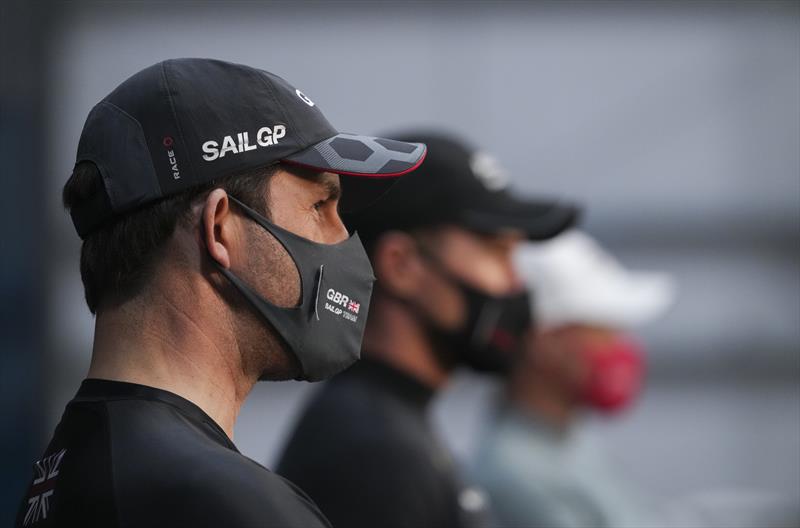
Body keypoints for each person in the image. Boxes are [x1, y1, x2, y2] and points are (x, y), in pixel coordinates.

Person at [14, 58, 427, 528]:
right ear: (219, 229)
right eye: (319, 205)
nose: (342, 240)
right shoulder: (224, 503)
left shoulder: (68, 469)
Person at [277, 131, 580, 528]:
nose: (515, 283)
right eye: (497, 252)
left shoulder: (387, 425)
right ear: (402, 265)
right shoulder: (375, 454)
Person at [471, 230, 675, 528]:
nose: (621, 348)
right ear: (543, 343)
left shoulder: (568, 440)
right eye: (604, 331)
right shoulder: (518, 475)